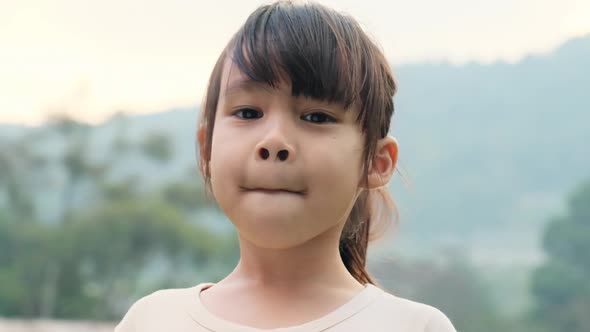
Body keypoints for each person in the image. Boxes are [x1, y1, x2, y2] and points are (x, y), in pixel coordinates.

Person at [115, 1, 456, 331]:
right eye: (248, 113)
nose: (274, 141)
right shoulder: (152, 321)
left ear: (376, 162)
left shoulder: (414, 327)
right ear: (206, 149)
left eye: (316, 117)